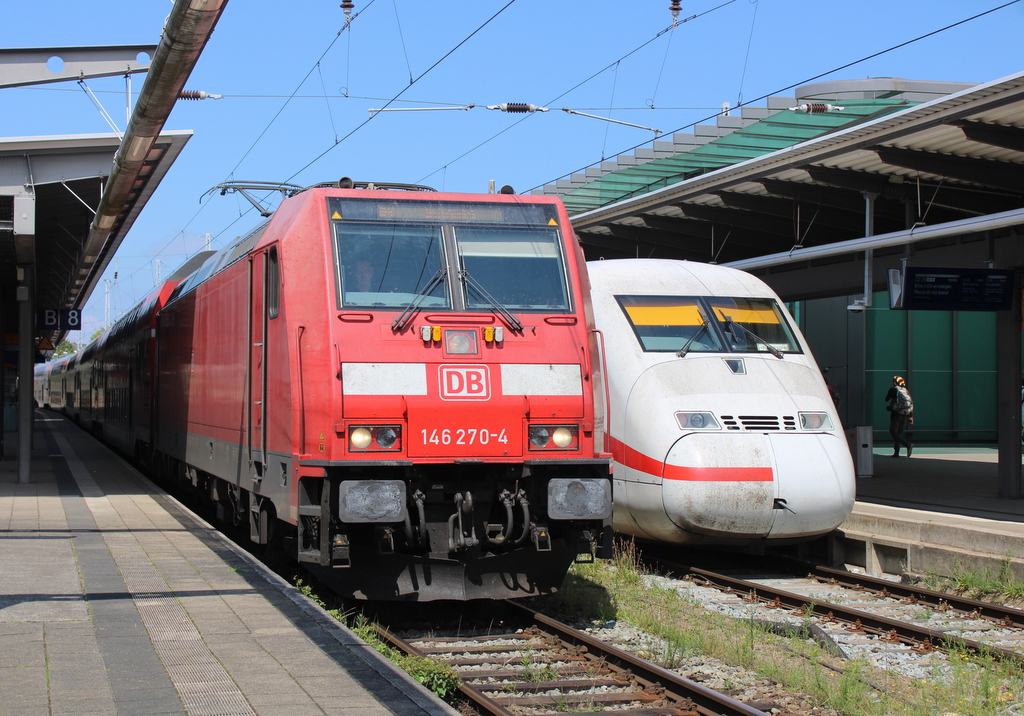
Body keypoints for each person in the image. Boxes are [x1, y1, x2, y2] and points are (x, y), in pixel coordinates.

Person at [884, 375, 914, 457]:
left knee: (893, 432)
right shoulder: (906, 391)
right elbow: (911, 403)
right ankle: (896, 452)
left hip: (896, 414)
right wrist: (911, 417)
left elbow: (886, 399)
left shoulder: (893, 390)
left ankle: (908, 445)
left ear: (895, 382)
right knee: (898, 433)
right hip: (905, 415)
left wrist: (889, 407)